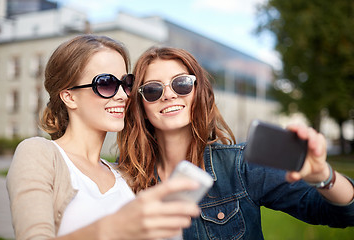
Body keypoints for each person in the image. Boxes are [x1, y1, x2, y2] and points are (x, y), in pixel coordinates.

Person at [117, 46, 354, 239]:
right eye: (152, 90)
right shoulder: (122, 179)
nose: (168, 95)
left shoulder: (240, 165)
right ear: (141, 105)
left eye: (181, 83)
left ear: (198, 91)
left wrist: (324, 176)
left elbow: (344, 214)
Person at [6, 36, 200, 240]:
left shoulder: (128, 176)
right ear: (69, 97)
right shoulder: (39, 154)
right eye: (106, 84)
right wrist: (114, 228)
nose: (123, 96)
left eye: (126, 83)